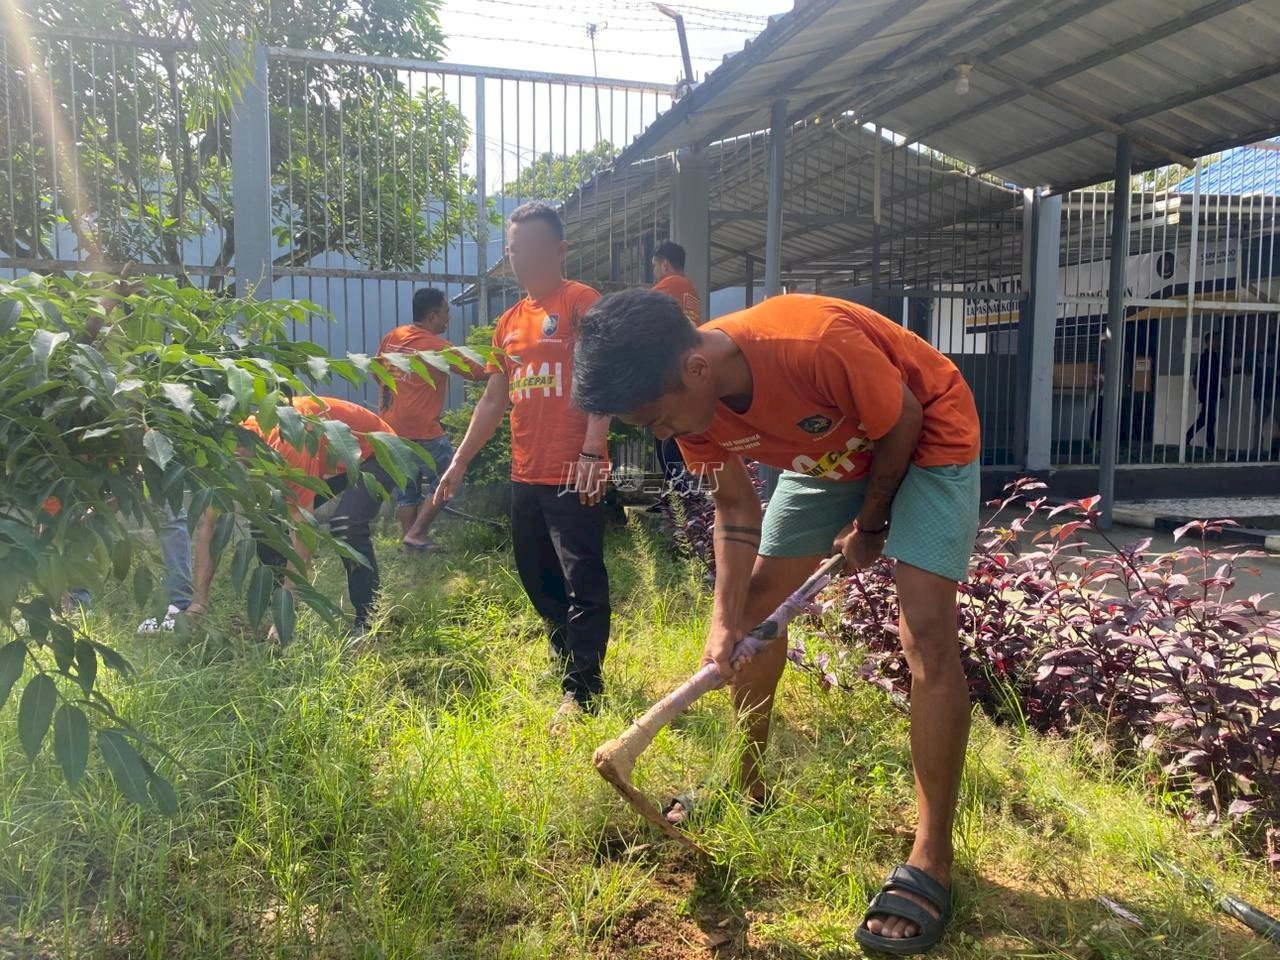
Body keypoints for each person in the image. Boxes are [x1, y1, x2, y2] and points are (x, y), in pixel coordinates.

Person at [572, 290, 982, 955]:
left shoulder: (811, 343)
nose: (660, 434)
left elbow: (902, 418)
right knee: (757, 609)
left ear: (695, 370)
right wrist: (723, 622)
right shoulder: (693, 409)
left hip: (924, 428)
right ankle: (746, 783)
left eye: (656, 417)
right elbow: (736, 513)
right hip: (826, 455)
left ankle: (932, 852)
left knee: (925, 632)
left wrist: (871, 524)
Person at [432, 202, 612, 726]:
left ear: (558, 249)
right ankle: (568, 661)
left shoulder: (581, 302)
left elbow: (603, 374)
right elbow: (493, 399)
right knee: (537, 577)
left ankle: (583, 691)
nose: (520, 258)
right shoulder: (508, 322)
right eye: (513, 249)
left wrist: (593, 447)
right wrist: (460, 462)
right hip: (525, 472)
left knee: (583, 580)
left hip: (573, 468)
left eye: (531, 248)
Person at [189, 395, 398, 639]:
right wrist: (199, 600)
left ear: (243, 447)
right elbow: (209, 527)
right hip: (334, 458)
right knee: (265, 521)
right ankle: (277, 608)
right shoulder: (224, 454)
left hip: (381, 451)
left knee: (346, 525)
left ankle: (370, 621)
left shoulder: (286, 442)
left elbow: (303, 531)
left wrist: (287, 610)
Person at [376, 286, 481, 553]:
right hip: (423, 429)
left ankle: (410, 542)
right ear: (433, 316)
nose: (449, 318)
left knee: (406, 488)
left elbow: (377, 373)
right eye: (446, 312)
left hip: (390, 427)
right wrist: (510, 364)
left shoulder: (393, 337)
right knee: (449, 477)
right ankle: (417, 532)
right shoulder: (436, 347)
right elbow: (476, 371)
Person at [1185, 332, 1223, 453]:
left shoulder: (1213, 356)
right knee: (1208, 419)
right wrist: (1200, 391)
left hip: (1210, 392)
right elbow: (1196, 377)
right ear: (1209, 341)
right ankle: (1208, 444)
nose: (1218, 343)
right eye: (1216, 340)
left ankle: (1189, 439)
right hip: (1208, 392)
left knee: (1206, 418)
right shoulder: (1206, 357)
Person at [651, 240, 702, 326]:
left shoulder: (671, 283)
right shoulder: (693, 291)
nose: (653, 271)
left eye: (654, 265)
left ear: (665, 264)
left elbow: (641, 306)